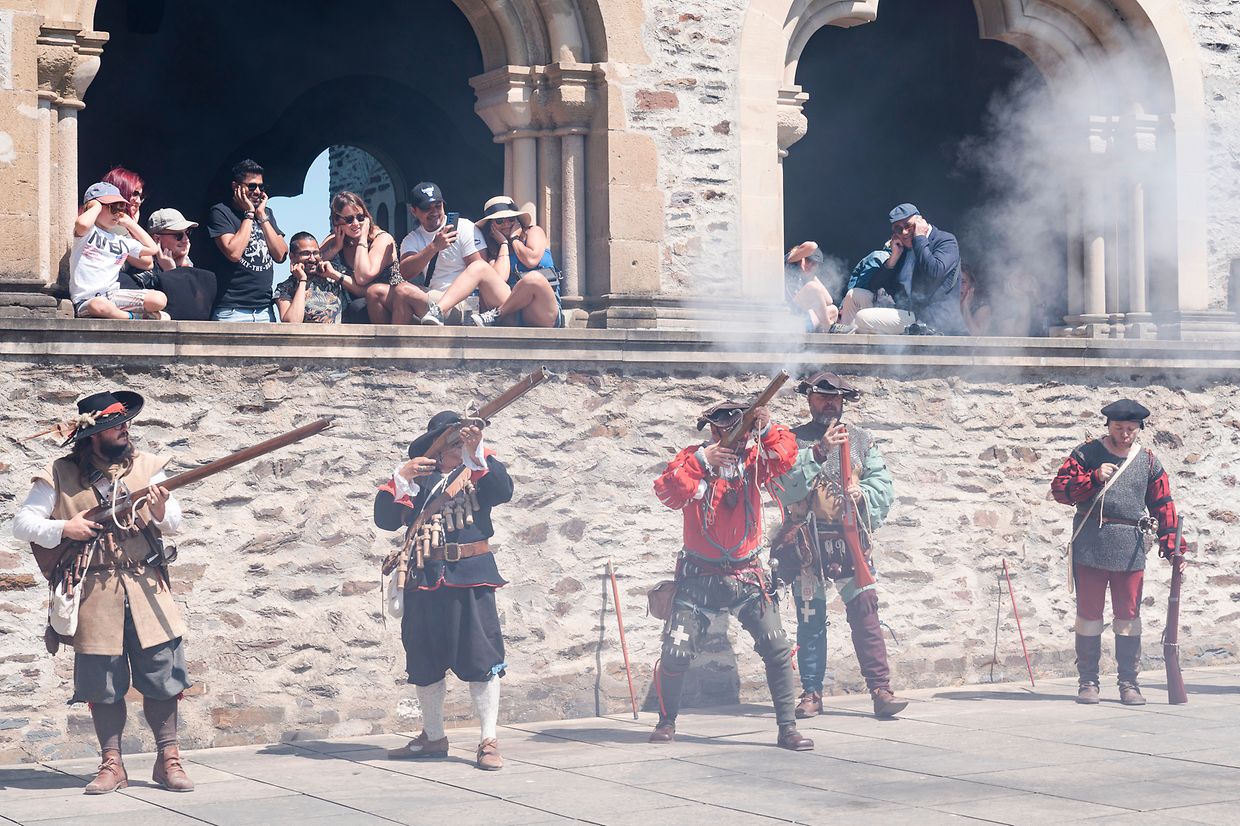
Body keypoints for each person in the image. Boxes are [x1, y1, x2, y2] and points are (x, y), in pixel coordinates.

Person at [11, 391, 194, 794]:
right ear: (93, 435)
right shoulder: (60, 473)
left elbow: (174, 522)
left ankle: (169, 760)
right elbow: (22, 524)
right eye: (116, 426)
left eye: (125, 424)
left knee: (164, 676)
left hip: (147, 586)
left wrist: (161, 510)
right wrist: (65, 529)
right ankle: (112, 765)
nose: (125, 431)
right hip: (93, 591)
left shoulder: (148, 467)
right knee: (103, 684)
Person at [650, 401, 814, 751]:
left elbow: (787, 456)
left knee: (777, 648)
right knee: (676, 652)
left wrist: (767, 427)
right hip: (698, 578)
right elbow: (667, 491)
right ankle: (666, 721)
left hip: (748, 576)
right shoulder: (694, 458)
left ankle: (788, 728)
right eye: (724, 428)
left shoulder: (756, 459)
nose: (731, 434)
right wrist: (701, 462)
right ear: (714, 431)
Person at [374, 411, 514, 770]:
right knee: (424, 660)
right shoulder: (418, 484)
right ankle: (433, 736)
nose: (455, 449)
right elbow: (386, 520)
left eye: (459, 443)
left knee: (481, 660)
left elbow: (504, 490)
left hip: (470, 575)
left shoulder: (479, 472)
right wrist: (400, 477)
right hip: (422, 578)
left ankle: (488, 739)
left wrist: (477, 448)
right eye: (452, 443)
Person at [769, 372, 907, 719]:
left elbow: (883, 485)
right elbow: (783, 488)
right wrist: (818, 452)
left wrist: (865, 495)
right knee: (810, 620)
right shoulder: (792, 441)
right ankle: (812, 694)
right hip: (807, 542)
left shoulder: (861, 439)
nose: (828, 403)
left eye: (834, 398)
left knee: (866, 614)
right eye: (821, 397)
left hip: (849, 539)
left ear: (843, 401)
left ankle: (880, 690)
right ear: (809, 400)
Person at [1051, 399, 1188, 705]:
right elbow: (1060, 489)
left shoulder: (1149, 461)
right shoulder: (1085, 454)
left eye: (1130, 429)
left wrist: (1174, 549)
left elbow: (1163, 504)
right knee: (1089, 616)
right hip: (1090, 543)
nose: (1125, 434)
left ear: (1139, 428)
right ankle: (1088, 682)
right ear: (1108, 426)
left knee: (1128, 617)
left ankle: (1129, 683)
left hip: (1131, 546)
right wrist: (1093, 478)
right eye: (1118, 428)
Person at [844, 204, 966, 335]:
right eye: (898, 229)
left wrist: (920, 238)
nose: (904, 233)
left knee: (863, 318)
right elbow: (875, 286)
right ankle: (842, 348)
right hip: (903, 311)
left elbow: (934, 272)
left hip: (930, 318)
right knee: (854, 295)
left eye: (908, 226)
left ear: (921, 222)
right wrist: (893, 258)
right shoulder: (904, 249)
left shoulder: (945, 240)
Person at [395, 182, 505, 326]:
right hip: (434, 297)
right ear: (414, 211)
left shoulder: (464, 228)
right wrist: (433, 247)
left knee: (403, 292)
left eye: (438, 206)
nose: (434, 212)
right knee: (384, 292)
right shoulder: (412, 239)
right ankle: (397, 344)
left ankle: (395, 345)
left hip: (464, 304)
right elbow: (405, 273)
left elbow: (480, 273)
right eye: (426, 208)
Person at [70, 182, 167, 320]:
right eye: (112, 208)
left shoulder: (120, 239)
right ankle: (134, 317)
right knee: (100, 305)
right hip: (86, 300)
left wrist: (129, 222)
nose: (118, 213)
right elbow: (82, 224)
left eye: (121, 208)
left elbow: (152, 249)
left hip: (112, 295)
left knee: (159, 299)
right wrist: (95, 206)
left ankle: (131, 315)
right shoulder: (87, 232)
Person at [208, 159, 288, 322]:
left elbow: (281, 255)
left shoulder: (267, 214)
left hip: (265, 311)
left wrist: (261, 216)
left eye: (261, 187)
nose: (258, 191)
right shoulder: (221, 212)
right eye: (252, 186)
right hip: (232, 311)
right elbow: (234, 252)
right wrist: (249, 215)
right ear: (236, 186)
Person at [473, 195, 562, 327]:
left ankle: (497, 315)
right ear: (491, 225)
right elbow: (498, 279)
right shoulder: (494, 249)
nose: (506, 224)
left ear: (517, 220)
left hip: (543, 311)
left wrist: (514, 239)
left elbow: (530, 260)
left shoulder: (534, 232)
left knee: (534, 279)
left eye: (510, 219)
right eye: (500, 221)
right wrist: (503, 244)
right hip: (516, 313)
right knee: (479, 268)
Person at [318, 191, 401, 324]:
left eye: (360, 217)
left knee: (357, 308)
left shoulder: (382, 239)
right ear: (337, 221)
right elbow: (312, 262)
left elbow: (363, 277)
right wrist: (335, 249)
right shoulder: (338, 239)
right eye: (349, 219)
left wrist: (362, 238)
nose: (356, 223)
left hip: (388, 303)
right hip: (357, 303)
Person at [141, 208, 217, 321]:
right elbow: (178, 308)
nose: (186, 239)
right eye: (178, 235)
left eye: (187, 233)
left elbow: (197, 308)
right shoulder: (144, 265)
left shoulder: (187, 264)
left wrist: (180, 266)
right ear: (157, 238)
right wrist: (171, 274)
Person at [274, 232, 367, 324]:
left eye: (315, 253)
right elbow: (292, 323)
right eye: (306, 254)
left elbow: (363, 292)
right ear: (292, 257)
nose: (312, 259)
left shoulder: (333, 271)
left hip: (340, 337)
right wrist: (302, 281)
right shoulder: (284, 288)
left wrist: (334, 274)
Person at [784, 242, 846, 333]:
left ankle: (818, 340)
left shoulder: (806, 278)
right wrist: (798, 255)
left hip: (802, 321)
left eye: (815, 264)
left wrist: (812, 276)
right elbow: (812, 246)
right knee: (813, 287)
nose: (811, 265)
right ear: (801, 258)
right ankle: (828, 326)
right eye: (809, 261)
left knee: (833, 310)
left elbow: (829, 300)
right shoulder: (788, 264)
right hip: (788, 317)